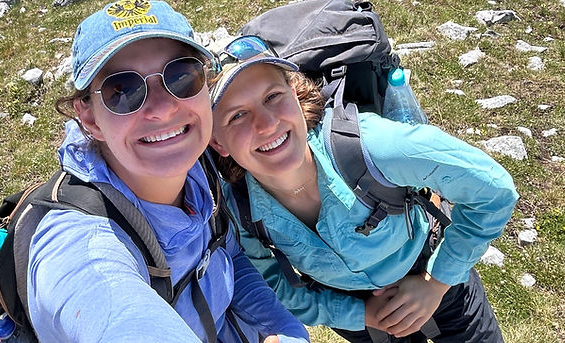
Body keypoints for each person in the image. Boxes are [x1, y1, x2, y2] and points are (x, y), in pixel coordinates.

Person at [27, 0, 310, 343]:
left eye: (181, 76)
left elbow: (227, 254)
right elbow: (116, 315)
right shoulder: (82, 249)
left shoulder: (200, 169)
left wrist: (284, 328)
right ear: (89, 118)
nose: (162, 109)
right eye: (123, 91)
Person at [208, 36, 519, 343]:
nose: (265, 124)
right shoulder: (236, 208)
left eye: (272, 96)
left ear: (294, 93)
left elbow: (493, 189)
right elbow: (272, 285)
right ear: (217, 142)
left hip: (442, 283)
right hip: (361, 321)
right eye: (237, 115)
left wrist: (435, 283)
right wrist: (361, 314)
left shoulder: (373, 147)